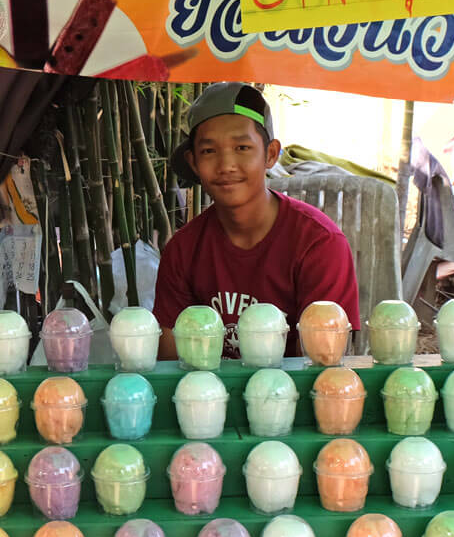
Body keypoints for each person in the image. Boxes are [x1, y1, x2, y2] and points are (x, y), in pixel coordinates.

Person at [153, 83, 360, 360]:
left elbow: (320, 367)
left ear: (271, 154)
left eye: (242, 147)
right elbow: (170, 363)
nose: (226, 164)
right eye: (209, 151)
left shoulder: (319, 244)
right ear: (193, 163)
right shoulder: (183, 250)